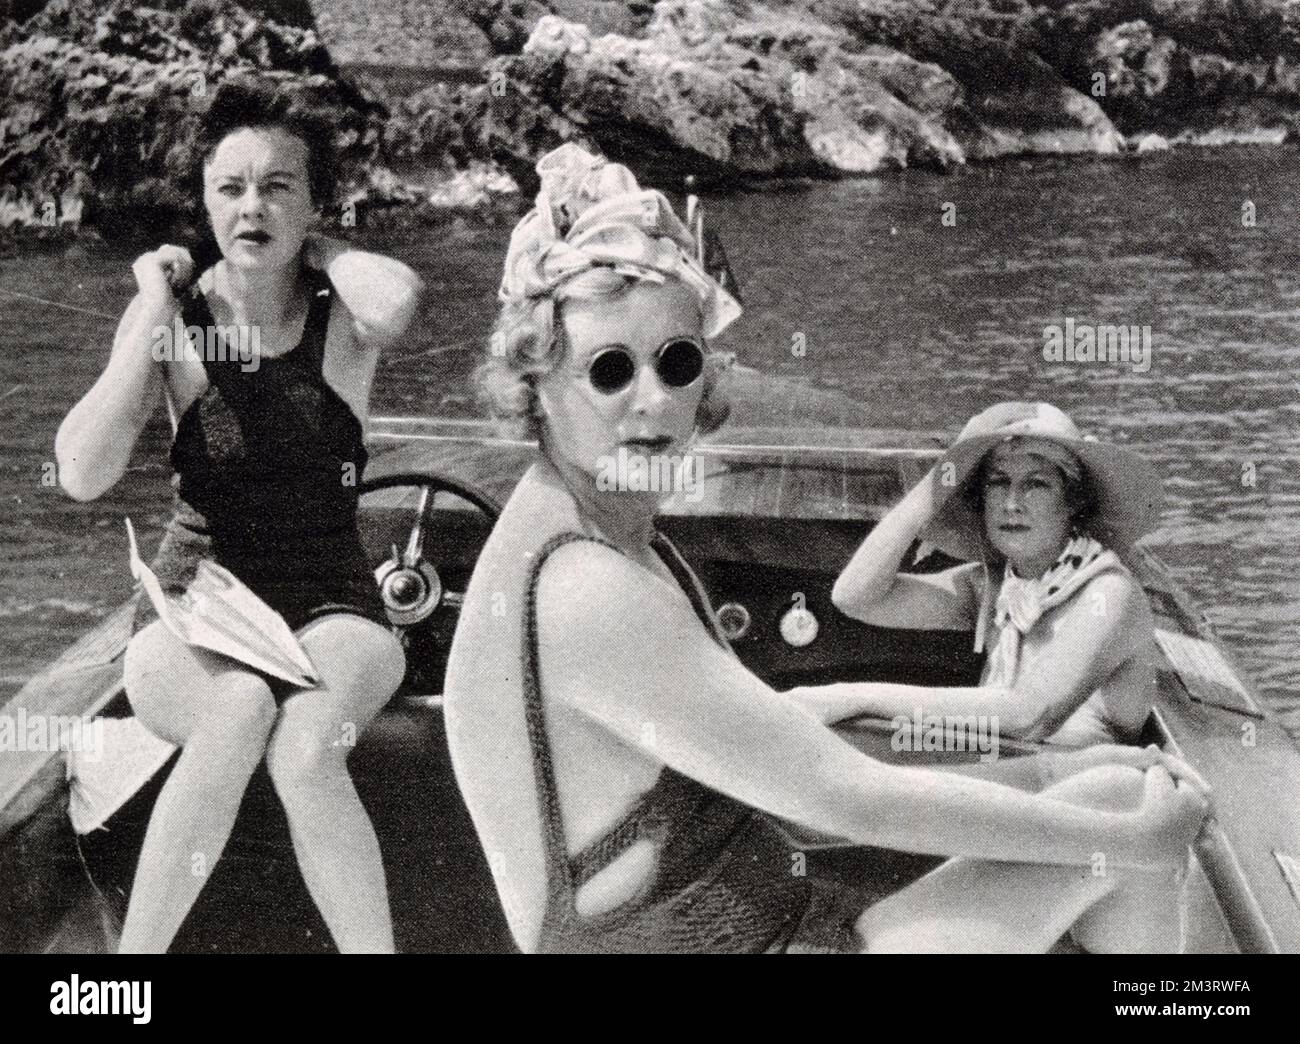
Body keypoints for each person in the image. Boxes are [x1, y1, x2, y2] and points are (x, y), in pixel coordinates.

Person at [442, 142, 1209, 954]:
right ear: (535, 380)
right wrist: (1134, 839)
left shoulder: (615, 538)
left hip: (772, 923)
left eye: (676, 360)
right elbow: (840, 799)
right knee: (1130, 825)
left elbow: (801, 783)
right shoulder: (586, 587)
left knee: (1117, 787)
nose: (653, 400)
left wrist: (1066, 783)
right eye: (608, 369)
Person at [54, 77, 423, 953]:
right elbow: (82, 473)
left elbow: (398, 301)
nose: (251, 206)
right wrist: (151, 303)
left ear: (314, 203)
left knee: (305, 748)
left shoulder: (344, 317)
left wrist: (321, 249)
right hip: (194, 599)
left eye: (277, 186)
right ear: (203, 205)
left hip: (331, 597)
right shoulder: (173, 320)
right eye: (230, 188)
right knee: (237, 709)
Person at [832, 402, 1162, 747]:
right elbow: (854, 597)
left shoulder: (1108, 593)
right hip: (1000, 771)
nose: (1011, 503)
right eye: (998, 482)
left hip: (1077, 790)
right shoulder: (991, 586)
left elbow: (1029, 718)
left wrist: (853, 697)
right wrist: (943, 474)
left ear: (1073, 500)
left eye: (1036, 483)